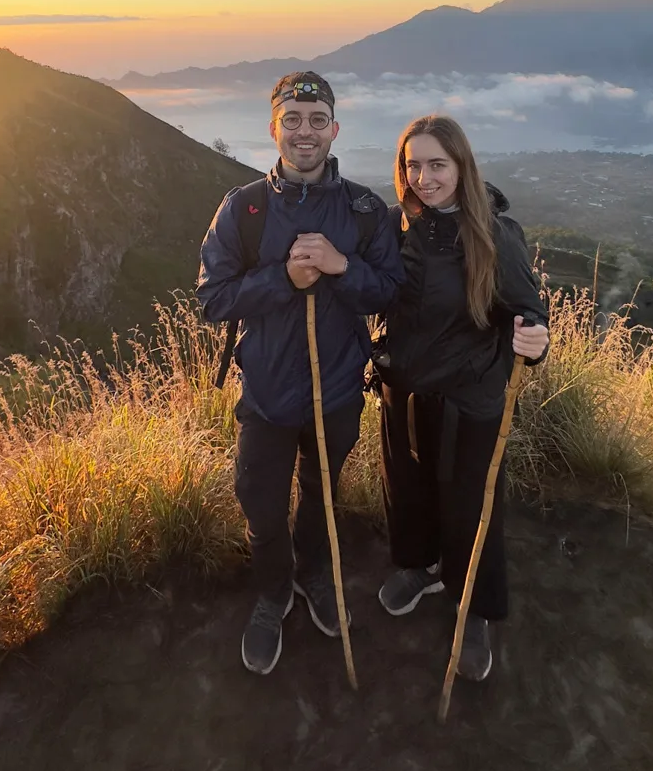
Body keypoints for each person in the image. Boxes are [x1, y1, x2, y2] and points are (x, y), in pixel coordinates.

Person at [198, 71, 404, 676]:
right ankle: (273, 592)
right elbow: (213, 300)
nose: (305, 131)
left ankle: (314, 575)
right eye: (293, 119)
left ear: (335, 129)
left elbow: (389, 292)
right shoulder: (244, 210)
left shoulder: (365, 212)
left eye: (317, 120)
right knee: (259, 501)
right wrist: (282, 280)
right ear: (273, 129)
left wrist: (342, 267)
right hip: (265, 395)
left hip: (337, 391)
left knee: (320, 493)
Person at [377, 114, 549, 682]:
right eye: (413, 165)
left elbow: (528, 310)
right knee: (410, 487)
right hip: (405, 389)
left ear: (462, 166)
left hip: (469, 399)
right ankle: (422, 565)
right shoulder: (398, 229)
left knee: (472, 508)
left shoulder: (495, 234)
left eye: (437, 165)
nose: (424, 177)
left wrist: (535, 336)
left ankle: (474, 607)